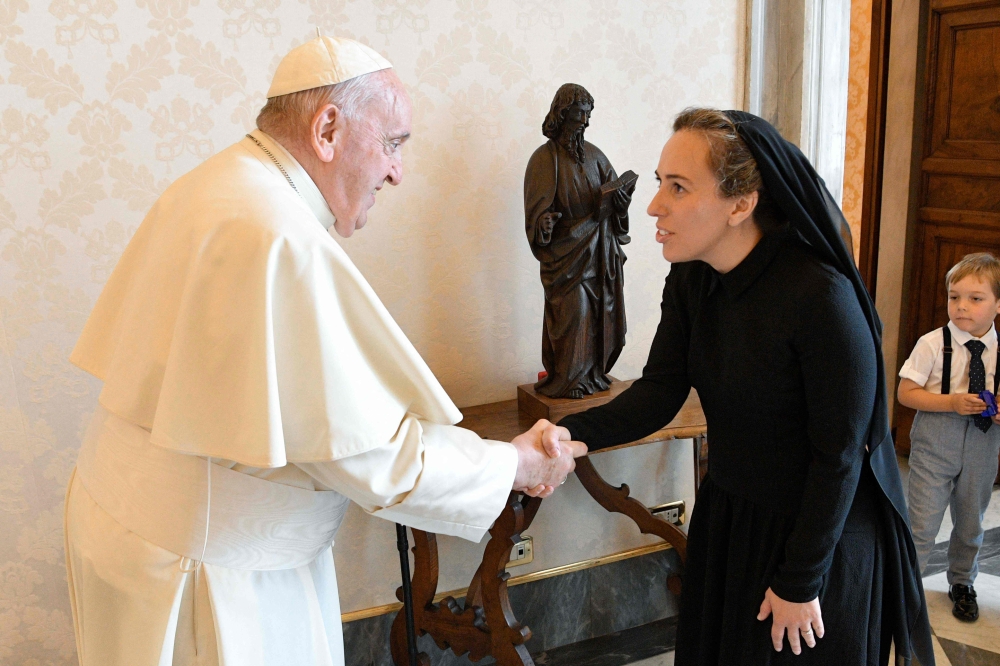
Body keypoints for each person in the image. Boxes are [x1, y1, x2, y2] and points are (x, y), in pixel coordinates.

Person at [64, 36, 584, 666]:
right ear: (328, 128)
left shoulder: (220, 184)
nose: (397, 172)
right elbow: (370, 455)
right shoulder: (277, 235)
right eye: (392, 144)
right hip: (212, 577)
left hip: (136, 530)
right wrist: (513, 464)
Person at [531, 108, 934, 665]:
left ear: (741, 205)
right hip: (730, 519)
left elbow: (838, 457)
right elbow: (660, 391)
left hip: (817, 535)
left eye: (678, 187)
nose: (653, 205)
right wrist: (570, 436)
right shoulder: (692, 276)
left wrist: (800, 580)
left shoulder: (821, 298)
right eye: (660, 183)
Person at [897, 252, 1000, 623]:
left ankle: (962, 582)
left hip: (983, 445)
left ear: (998, 304)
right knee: (922, 523)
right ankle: (905, 588)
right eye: (954, 297)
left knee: (971, 522)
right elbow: (905, 393)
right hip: (935, 443)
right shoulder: (931, 343)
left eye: (975, 298)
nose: (962, 306)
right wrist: (952, 402)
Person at [523, 83, 632, 399]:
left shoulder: (596, 156)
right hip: (567, 254)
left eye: (588, 115)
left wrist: (620, 203)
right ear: (562, 113)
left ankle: (593, 376)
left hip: (599, 250)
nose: (584, 121)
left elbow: (614, 197)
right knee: (576, 312)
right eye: (579, 114)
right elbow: (535, 212)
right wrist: (543, 224)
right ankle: (569, 380)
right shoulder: (545, 160)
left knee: (599, 317)